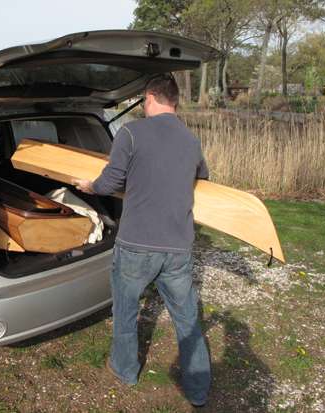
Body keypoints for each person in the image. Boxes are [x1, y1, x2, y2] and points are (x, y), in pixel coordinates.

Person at [73, 74, 211, 407]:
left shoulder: (131, 132)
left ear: (150, 97)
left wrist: (89, 186)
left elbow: (111, 181)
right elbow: (203, 178)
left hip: (136, 244)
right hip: (177, 247)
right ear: (173, 100)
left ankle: (125, 370)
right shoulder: (191, 140)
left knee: (125, 311)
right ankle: (198, 390)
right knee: (187, 317)